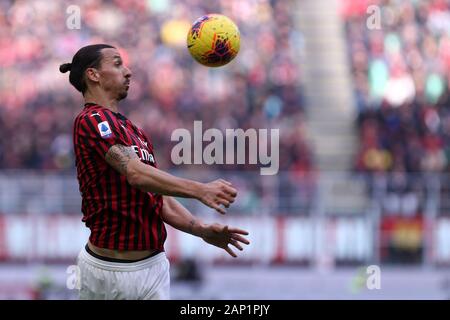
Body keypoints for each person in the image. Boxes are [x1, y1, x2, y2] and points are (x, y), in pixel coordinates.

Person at [60, 44, 250, 300]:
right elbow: (136, 174)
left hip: (153, 268)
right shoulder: (90, 120)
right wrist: (200, 190)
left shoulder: (136, 132)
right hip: (105, 270)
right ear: (93, 75)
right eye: (117, 64)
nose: (128, 72)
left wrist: (201, 229)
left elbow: (157, 199)